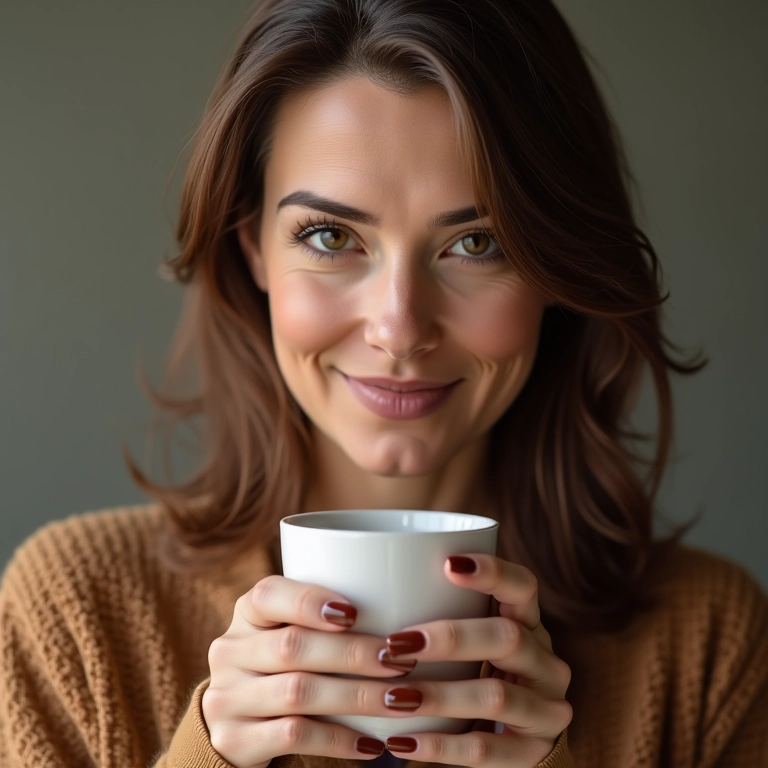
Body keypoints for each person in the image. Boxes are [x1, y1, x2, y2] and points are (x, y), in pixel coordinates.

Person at [1, 0, 766, 766]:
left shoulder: (711, 645)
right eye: (330, 237)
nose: (399, 326)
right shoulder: (74, 612)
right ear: (254, 252)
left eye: (477, 242)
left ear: (555, 271)